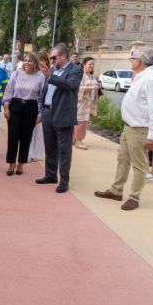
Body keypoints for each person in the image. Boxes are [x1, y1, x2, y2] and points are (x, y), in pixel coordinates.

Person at [94, 46, 153, 210]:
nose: (130, 62)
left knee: (139, 165)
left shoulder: (151, 79)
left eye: (132, 59)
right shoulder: (142, 76)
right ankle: (116, 190)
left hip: (140, 128)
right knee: (123, 159)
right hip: (130, 127)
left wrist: (152, 135)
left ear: (139, 61)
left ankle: (134, 197)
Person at [36, 43, 83, 193]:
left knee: (64, 150)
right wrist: (42, 109)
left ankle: (64, 181)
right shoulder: (52, 70)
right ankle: (50, 175)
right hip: (48, 112)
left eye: (54, 57)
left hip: (63, 114)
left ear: (63, 56)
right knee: (50, 147)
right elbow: (45, 90)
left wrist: (50, 77)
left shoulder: (75, 70)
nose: (52, 60)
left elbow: (70, 85)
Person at [2, 52, 45, 175]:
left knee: (26, 138)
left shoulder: (40, 77)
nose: (27, 63)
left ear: (35, 63)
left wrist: (40, 114)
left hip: (31, 109)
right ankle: (11, 164)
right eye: (25, 60)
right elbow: (8, 91)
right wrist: (6, 108)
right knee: (13, 136)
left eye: (30, 61)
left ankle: (21, 164)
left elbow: (41, 97)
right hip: (15, 106)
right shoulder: (16, 74)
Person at [73, 57, 100, 150]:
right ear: (84, 65)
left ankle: (75, 139)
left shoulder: (91, 76)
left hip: (88, 103)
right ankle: (78, 140)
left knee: (84, 121)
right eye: (90, 64)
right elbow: (77, 88)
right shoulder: (80, 75)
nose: (92, 66)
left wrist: (97, 89)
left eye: (93, 64)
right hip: (80, 102)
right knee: (80, 121)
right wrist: (90, 88)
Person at [28, 52, 49, 161]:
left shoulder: (48, 73)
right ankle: (29, 152)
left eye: (44, 60)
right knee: (29, 130)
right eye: (40, 60)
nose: (42, 62)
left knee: (38, 131)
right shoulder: (33, 73)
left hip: (41, 106)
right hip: (32, 104)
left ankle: (35, 153)